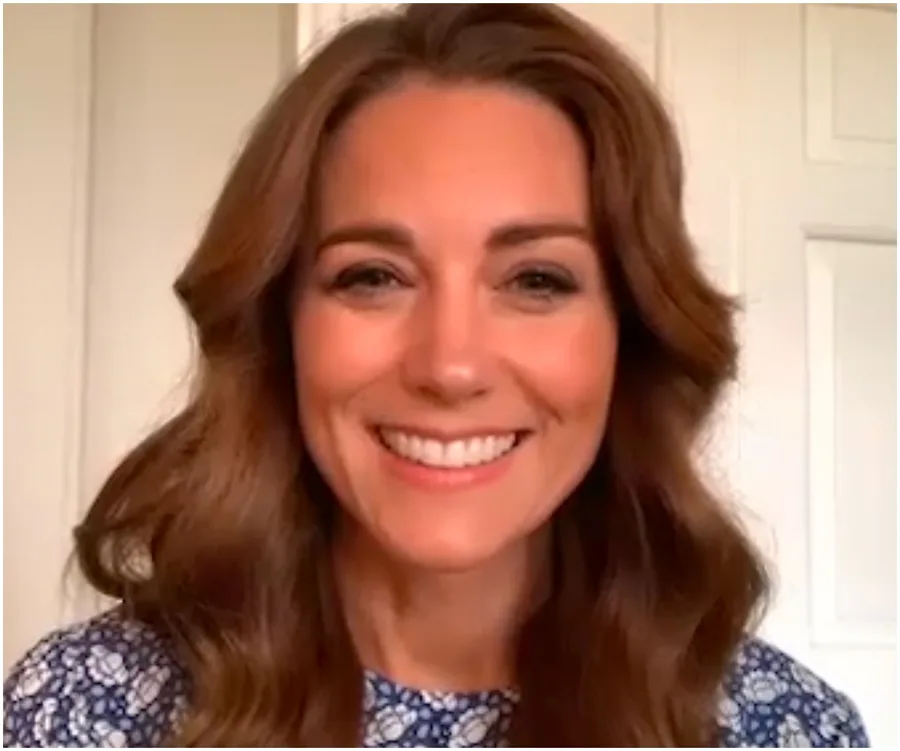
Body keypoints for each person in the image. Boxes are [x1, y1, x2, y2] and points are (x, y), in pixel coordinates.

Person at [3, 3, 870, 748]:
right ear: (280, 324)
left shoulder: (784, 727)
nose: (451, 366)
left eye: (537, 280)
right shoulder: (84, 711)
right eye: (372, 276)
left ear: (630, 333)